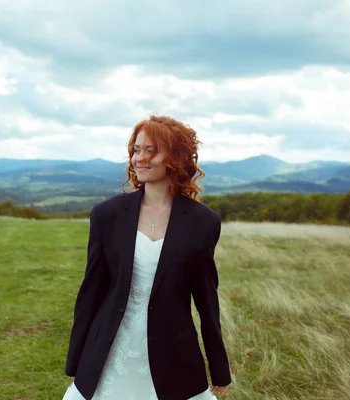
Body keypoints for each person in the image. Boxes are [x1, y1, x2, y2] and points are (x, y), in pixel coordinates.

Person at [63, 115, 231, 400]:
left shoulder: (203, 222)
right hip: (110, 349)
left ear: (175, 157)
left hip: (174, 353)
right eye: (136, 150)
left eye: (150, 150)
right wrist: (77, 357)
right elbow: (91, 290)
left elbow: (206, 298)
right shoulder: (107, 215)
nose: (139, 158)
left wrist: (218, 366)